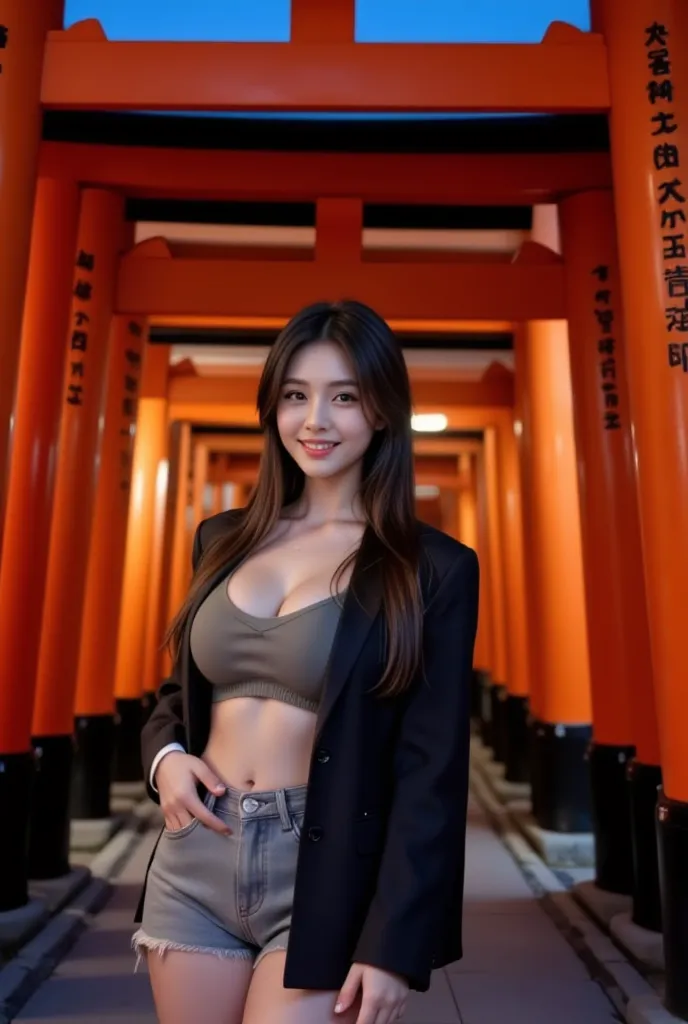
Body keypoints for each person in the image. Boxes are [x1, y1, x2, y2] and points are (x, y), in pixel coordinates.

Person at [133, 299, 479, 1024]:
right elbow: (180, 691)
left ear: (382, 410)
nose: (314, 419)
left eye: (343, 397)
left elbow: (432, 770)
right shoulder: (222, 539)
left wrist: (394, 944)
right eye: (295, 395)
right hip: (196, 852)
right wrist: (165, 757)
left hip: (325, 871)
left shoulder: (432, 570)